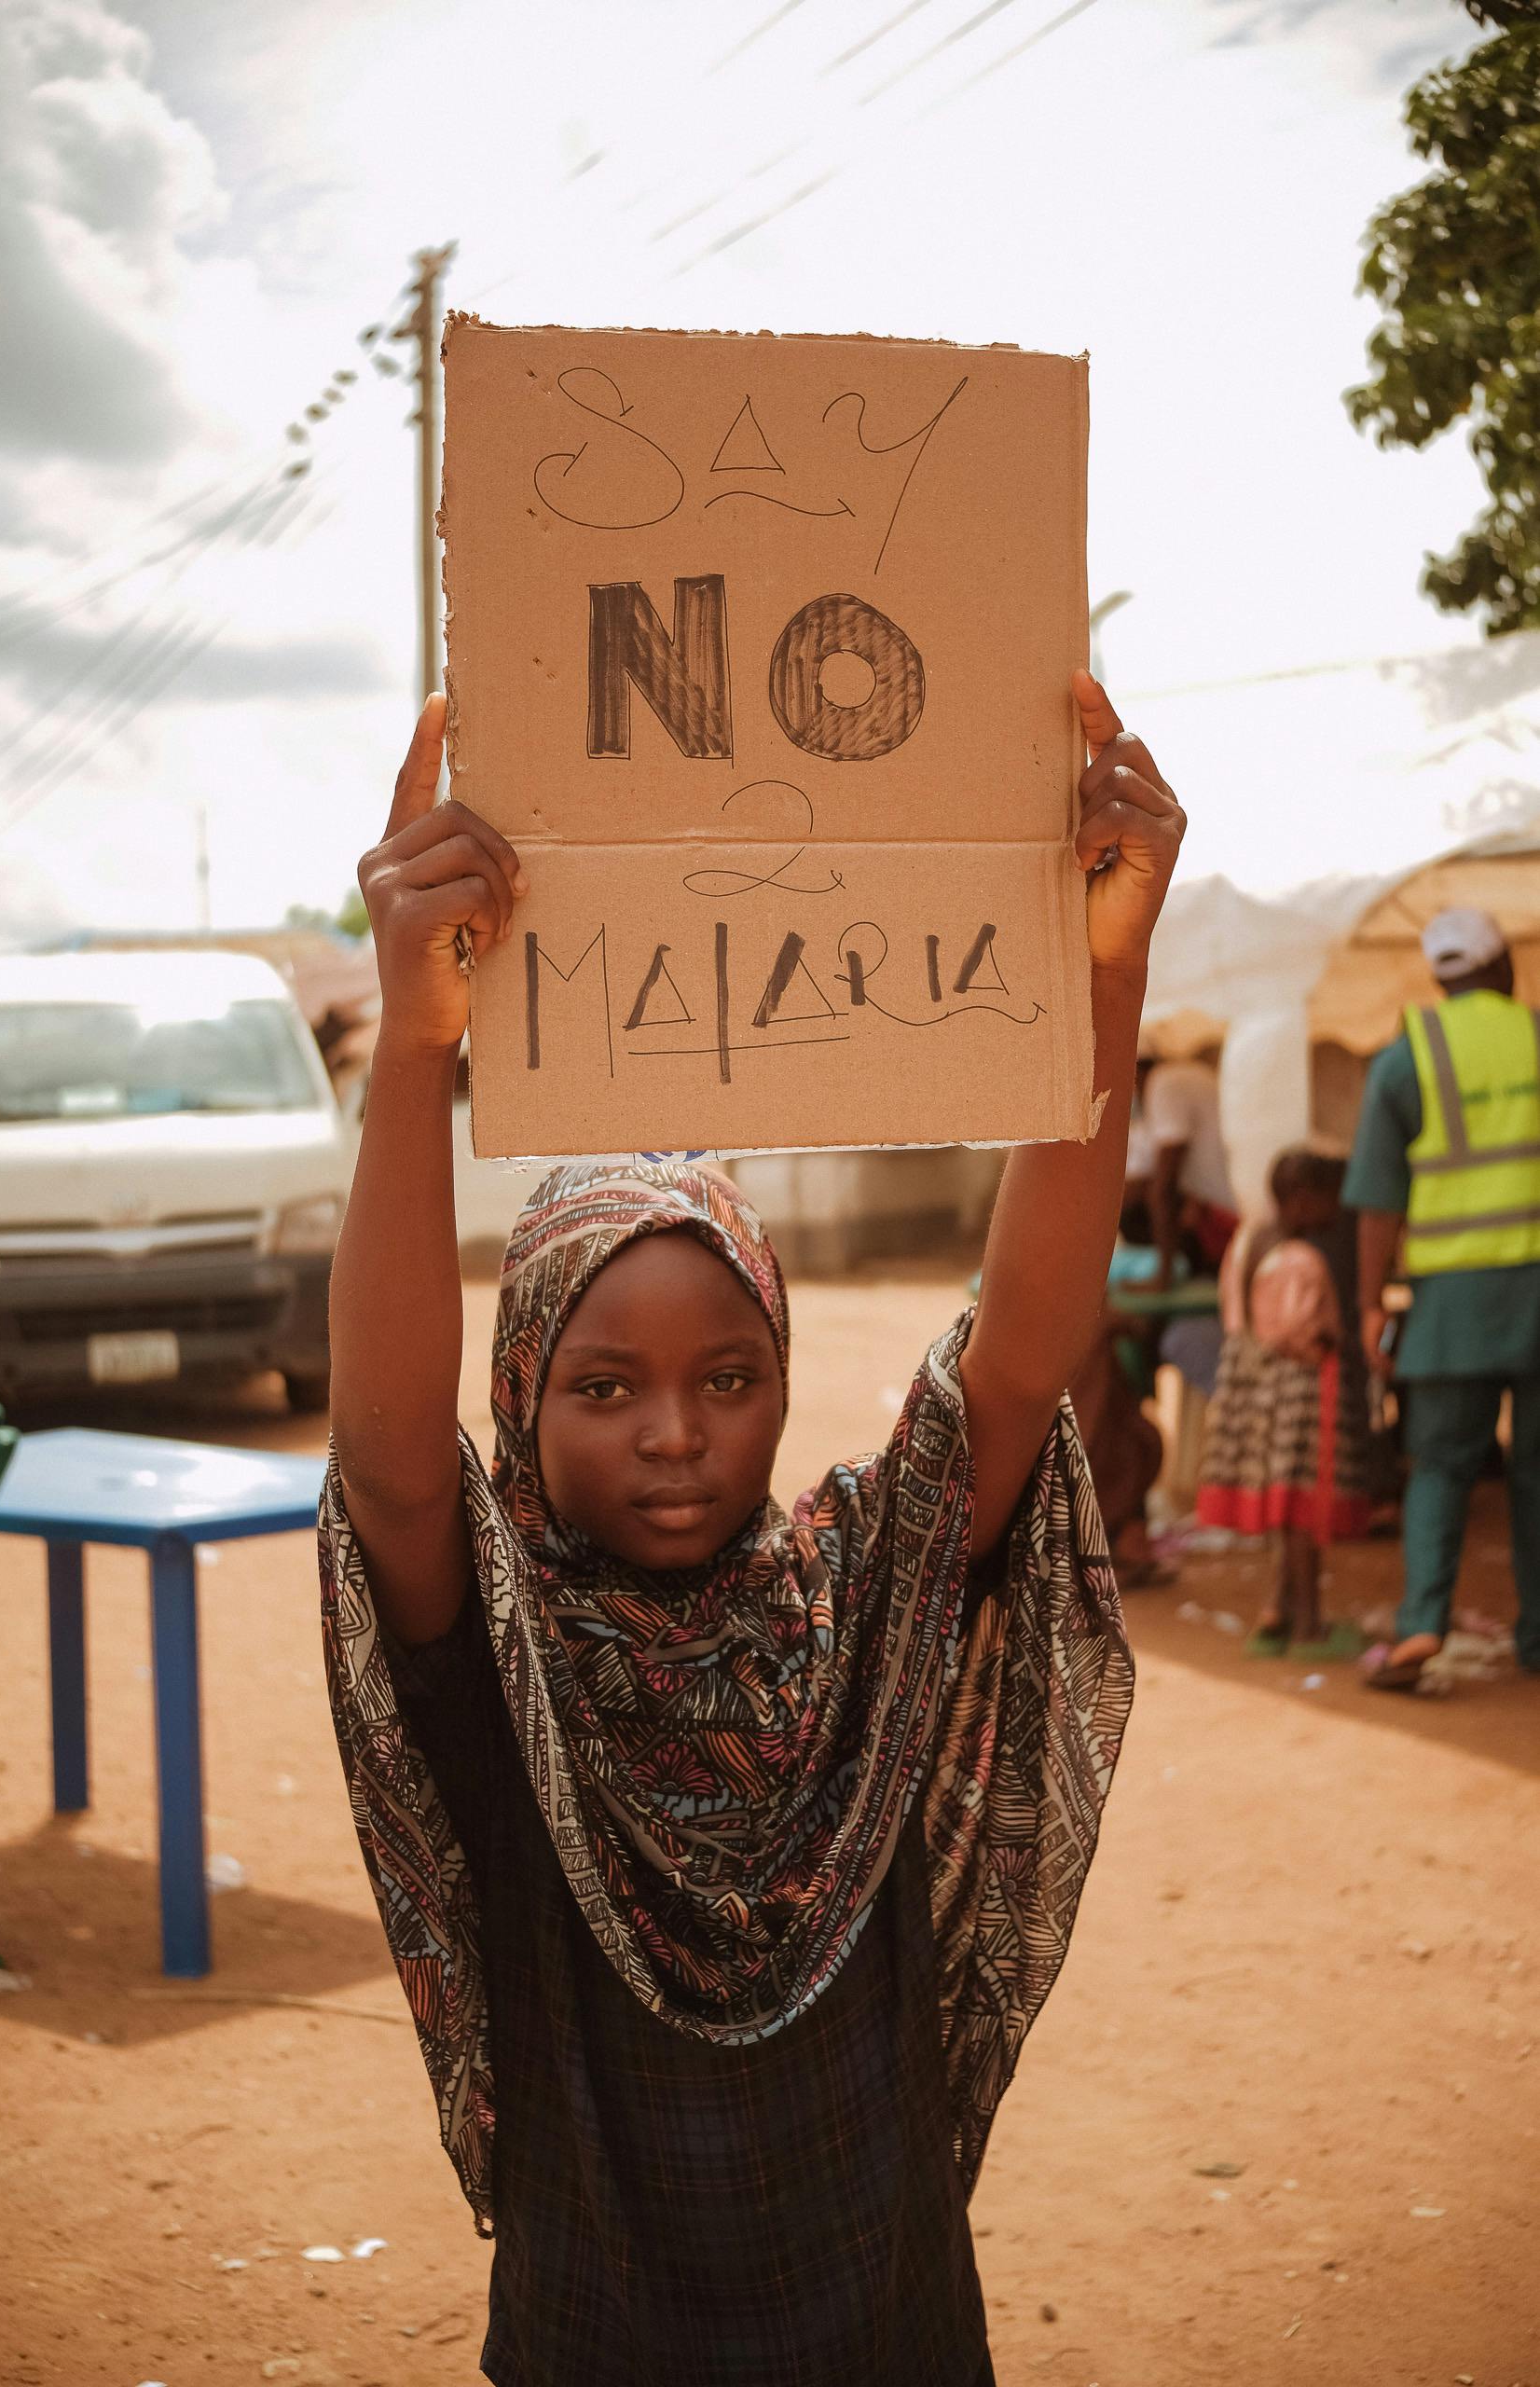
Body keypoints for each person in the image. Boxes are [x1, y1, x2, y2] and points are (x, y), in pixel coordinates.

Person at [319, 669, 1184, 2387]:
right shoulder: (507, 1650)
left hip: (888, 2332)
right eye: (601, 1387)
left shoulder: (862, 1597)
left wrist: (1103, 969)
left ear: (782, 1378)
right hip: (597, 2339)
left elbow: (1017, 1365)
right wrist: (417, 1055)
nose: (671, 1433)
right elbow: (396, 1466)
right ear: (521, 1394)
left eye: (727, 1377)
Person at [1345, 906, 1540, 1691]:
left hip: (1448, 1305)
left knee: (1440, 1468)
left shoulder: (1405, 1061)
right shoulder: (1534, 1034)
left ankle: (1422, 1625)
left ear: (1440, 977)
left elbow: (1375, 1200)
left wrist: (1368, 1304)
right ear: (1503, 968)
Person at [1197, 1149, 1371, 1656]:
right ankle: (1309, 1625)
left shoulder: (1250, 1239)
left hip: (1258, 1392)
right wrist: (1328, 1341)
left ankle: (1278, 1609)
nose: (1339, 1209)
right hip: (1301, 1396)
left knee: (1284, 1508)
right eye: (1329, 1198)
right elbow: (1300, 1330)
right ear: (1300, 1201)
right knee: (1302, 1511)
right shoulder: (1301, 1258)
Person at [1138, 1050, 1238, 1283]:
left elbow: (1164, 1185)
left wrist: (1162, 1276)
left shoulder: (1163, 1083)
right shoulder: (1184, 1074)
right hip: (1229, 1209)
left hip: (1229, 1213)